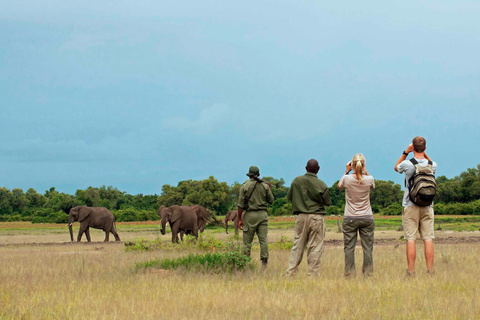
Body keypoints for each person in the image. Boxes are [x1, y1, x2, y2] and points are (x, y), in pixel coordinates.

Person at [394, 136, 437, 276]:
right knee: (428, 238)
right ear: (425, 148)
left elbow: (396, 168)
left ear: (412, 147)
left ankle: (411, 271)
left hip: (410, 204)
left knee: (411, 239)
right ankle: (430, 271)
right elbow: (429, 162)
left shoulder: (408, 164)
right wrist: (423, 153)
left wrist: (406, 152)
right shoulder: (432, 164)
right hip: (428, 205)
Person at [286, 159, 331, 277]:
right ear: (318, 169)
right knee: (315, 246)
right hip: (316, 217)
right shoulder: (321, 184)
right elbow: (327, 202)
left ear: (306, 168)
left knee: (298, 245)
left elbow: (289, 197)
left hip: (300, 216)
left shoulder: (296, 181)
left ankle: (291, 273)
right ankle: (312, 275)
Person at [338, 154, 375, 278]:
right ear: (363, 164)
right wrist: (364, 171)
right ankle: (368, 274)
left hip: (350, 217)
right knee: (368, 248)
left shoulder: (346, 179)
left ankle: (349, 274)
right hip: (367, 216)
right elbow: (372, 184)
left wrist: (347, 171)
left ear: (352, 165)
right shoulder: (369, 179)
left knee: (349, 248)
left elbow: (339, 186)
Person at [237, 166, 274, 267]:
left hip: (250, 215)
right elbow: (271, 201)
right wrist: (269, 188)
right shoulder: (265, 186)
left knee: (247, 241)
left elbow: (240, 205)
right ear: (258, 174)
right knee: (263, 240)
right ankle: (264, 264)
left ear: (249, 175)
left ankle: (245, 263)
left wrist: (240, 219)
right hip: (263, 215)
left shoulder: (244, 186)